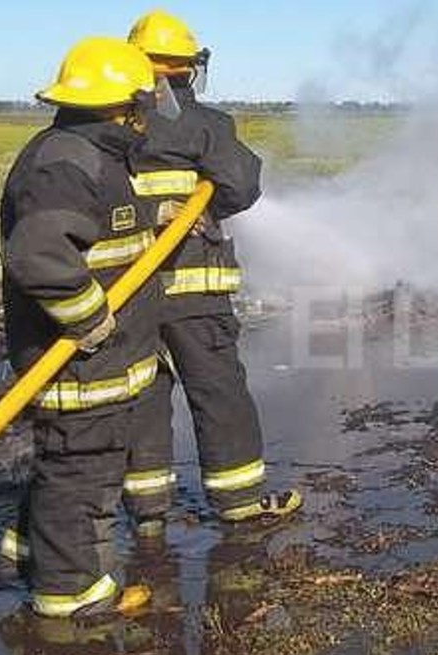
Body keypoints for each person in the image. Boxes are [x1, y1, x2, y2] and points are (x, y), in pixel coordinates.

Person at [0, 37, 164, 617]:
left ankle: (21, 555)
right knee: (80, 475)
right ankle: (70, 596)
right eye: (142, 102)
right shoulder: (66, 164)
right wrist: (90, 319)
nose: (147, 113)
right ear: (123, 106)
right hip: (77, 363)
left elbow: (101, 239)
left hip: (101, 360)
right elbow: (41, 258)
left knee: (67, 465)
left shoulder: (94, 156)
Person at [127, 9, 301, 521]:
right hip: (194, 289)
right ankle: (239, 501)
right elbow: (242, 185)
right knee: (217, 391)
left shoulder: (109, 129)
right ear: (187, 69)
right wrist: (205, 209)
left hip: (125, 290)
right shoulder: (206, 126)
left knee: (144, 394)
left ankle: (147, 509)